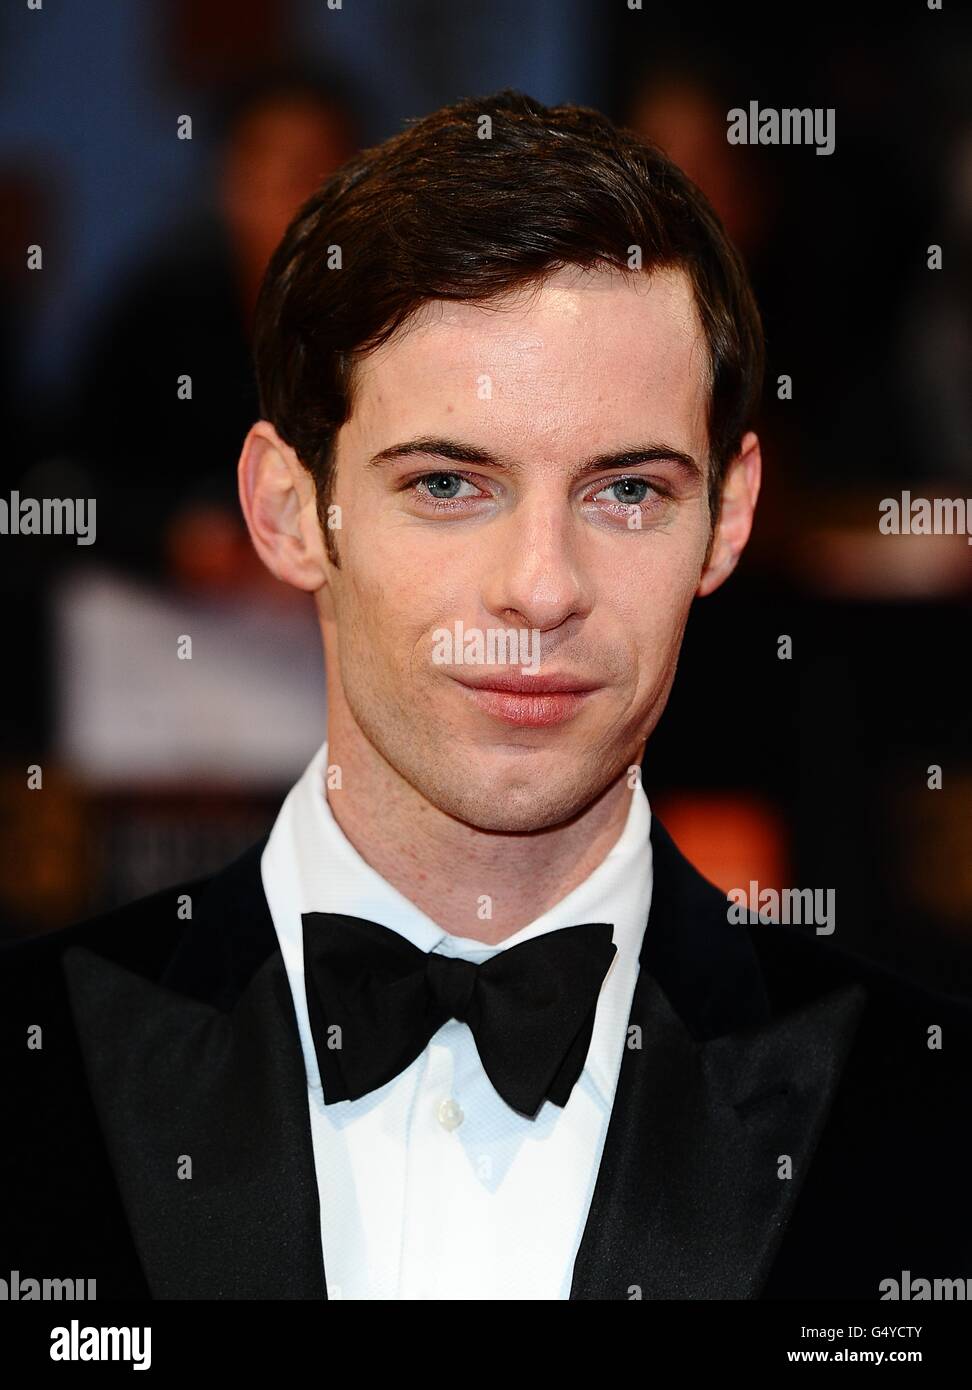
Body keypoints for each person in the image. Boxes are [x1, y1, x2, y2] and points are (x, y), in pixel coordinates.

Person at [3, 89, 970, 1302]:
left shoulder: (928, 1119)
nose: (541, 588)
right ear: (289, 508)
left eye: (627, 492)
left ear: (727, 518)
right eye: (451, 485)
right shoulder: (38, 1068)